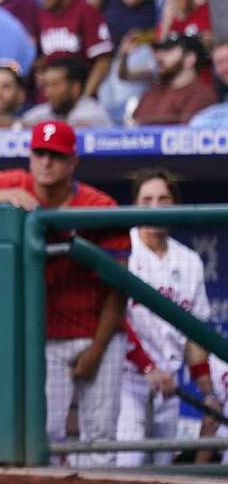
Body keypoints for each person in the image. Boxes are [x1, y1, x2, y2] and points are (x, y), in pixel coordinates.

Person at [0, 121, 128, 467]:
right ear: (30, 157)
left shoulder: (99, 205)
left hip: (98, 334)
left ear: (73, 162)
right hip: (45, 339)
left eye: (56, 156)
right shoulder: (17, 184)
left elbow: (118, 290)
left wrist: (96, 349)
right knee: (45, 435)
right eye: (40, 153)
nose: (47, 163)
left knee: (100, 442)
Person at [116, 169, 220, 466]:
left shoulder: (188, 261)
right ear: (135, 205)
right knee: (129, 463)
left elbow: (194, 336)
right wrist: (147, 367)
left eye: (163, 199)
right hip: (127, 379)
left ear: (175, 204)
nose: (155, 206)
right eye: (147, 199)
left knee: (161, 466)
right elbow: (115, 321)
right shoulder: (124, 250)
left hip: (169, 384)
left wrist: (207, 392)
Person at [34, 0, 112, 98]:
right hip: (49, 102)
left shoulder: (86, 12)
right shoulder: (42, 15)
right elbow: (46, 56)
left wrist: (85, 98)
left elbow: (103, 60)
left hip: (80, 101)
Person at [132, 33, 217, 125]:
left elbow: (185, 135)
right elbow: (133, 127)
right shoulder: (153, 90)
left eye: (167, 50)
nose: (159, 57)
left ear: (189, 58)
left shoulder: (201, 95)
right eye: (157, 51)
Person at [22, 57, 113, 128]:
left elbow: (79, 127)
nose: (48, 92)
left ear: (75, 88)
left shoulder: (93, 112)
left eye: (55, 85)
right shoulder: (43, 111)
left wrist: (38, 127)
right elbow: (21, 125)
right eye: (46, 85)